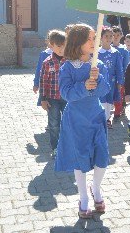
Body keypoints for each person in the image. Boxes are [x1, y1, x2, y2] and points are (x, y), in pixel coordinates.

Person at [55, 24, 111, 219]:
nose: (95, 42)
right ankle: (84, 198)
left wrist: (98, 79)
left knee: (101, 155)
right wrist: (84, 85)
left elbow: (105, 90)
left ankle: (96, 188)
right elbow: (66, 93)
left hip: (96, 117)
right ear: (79, 43)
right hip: (76, 119)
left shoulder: (98, 64)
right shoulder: (67, 67)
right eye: (91, 38)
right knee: (80, 158)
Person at [38, 29, 67, 156]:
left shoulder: (70, 61)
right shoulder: (47, 62)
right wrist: (43, 99)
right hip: (52, 99)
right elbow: (43, 82)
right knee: (54, 124)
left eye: (64, 46)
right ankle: (56, 148)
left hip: (68, 98)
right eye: (59, 46)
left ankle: (67, 147)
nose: (62, 49)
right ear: (51, 45)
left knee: (68, 123)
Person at [97, 27, 124, 128]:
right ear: (101, 38)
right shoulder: (97, 53)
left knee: (109, 100)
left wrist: (119, 82)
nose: (108, 38)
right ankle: (101, 119)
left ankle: (107, 118)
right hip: (99, 82)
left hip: (112, 82)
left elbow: (119, 69)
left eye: (110, 36)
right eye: (106, 36)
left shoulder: (115, 53)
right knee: (101, 99)